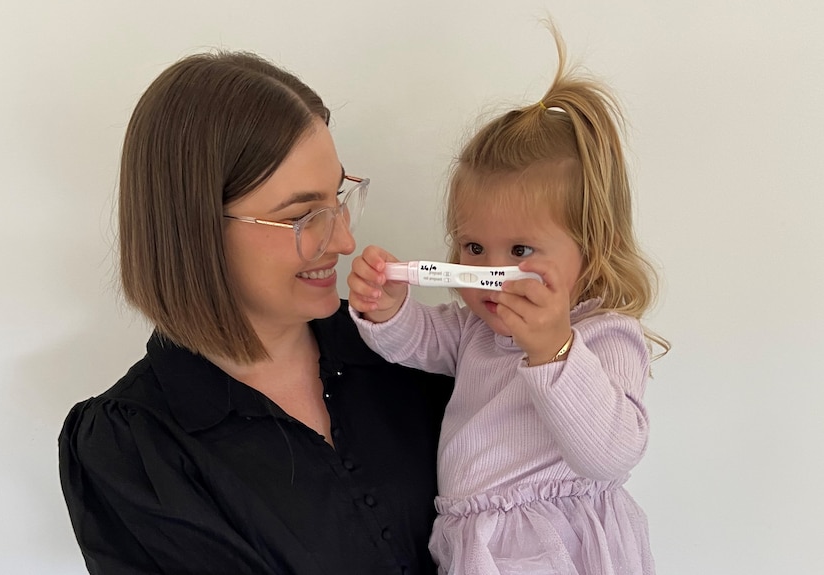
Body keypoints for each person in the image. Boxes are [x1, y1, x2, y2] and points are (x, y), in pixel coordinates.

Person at [58, 50, 453, 575]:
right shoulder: (131, 450)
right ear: (193, 230)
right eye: (302, 216)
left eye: (338, 198)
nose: (344, 239)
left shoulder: (404, 347)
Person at [347, 25, 669, 575]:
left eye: (519, 249)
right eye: (473, 247)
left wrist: (555, 350)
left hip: (556, 542)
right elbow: (417, 342)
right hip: (477, 539)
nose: (490, 273)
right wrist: (386, 307)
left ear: (592, 251)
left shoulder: (604, 334)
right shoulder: (477, 330)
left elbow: (610, 456)